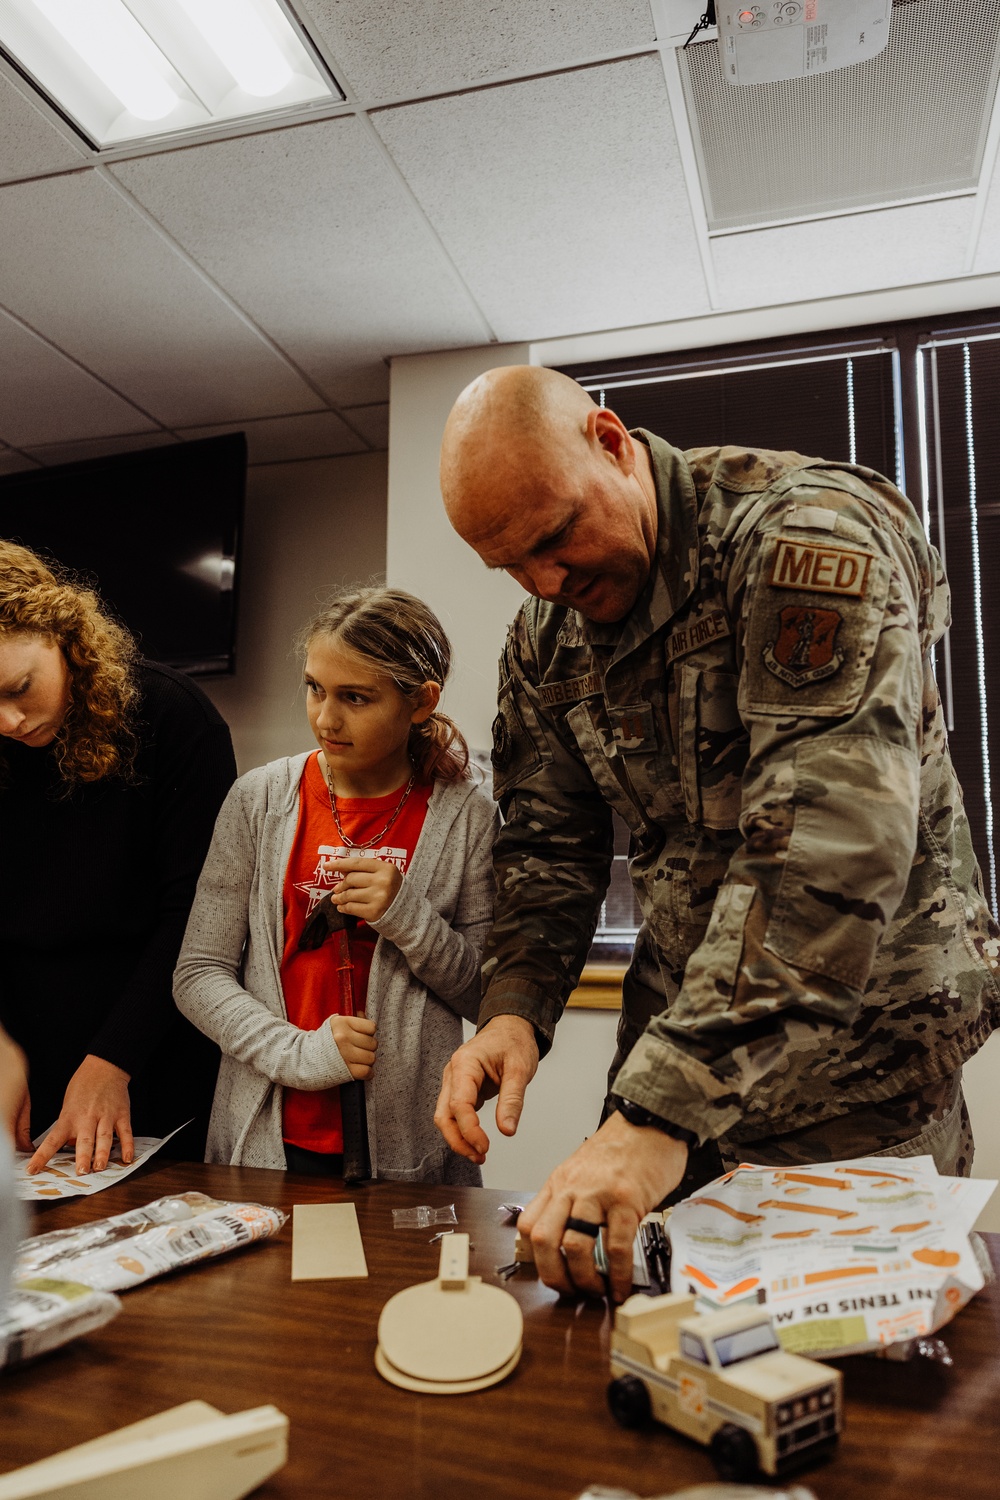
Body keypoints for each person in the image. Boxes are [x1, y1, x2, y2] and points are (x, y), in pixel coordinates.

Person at [434, 365, 1000, 1301]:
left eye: (556, 536)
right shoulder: (547, 638)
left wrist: (658, 1110)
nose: (545, 580)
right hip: (680, 1066)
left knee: (856, 1372)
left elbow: (827, 838)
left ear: (611, 444)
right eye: (510, 566)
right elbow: (546, 844)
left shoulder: (799, 535)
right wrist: (513, 1010)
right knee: (665, 1354)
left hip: (860, 1066)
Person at [173, 588, 498, 1183]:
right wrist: (300, 1055)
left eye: (355, 697)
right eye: (315, 688)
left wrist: (406, 914)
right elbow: (198, 975)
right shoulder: (259, 800)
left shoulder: (467, 814)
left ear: (421, 702)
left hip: (412, 1152)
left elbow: (486, 995)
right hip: (263, 1144)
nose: (326, 717)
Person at [0, 540, 237, 1177]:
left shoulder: (173, 719)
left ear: (63, 635)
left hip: (151, 1056)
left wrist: (112, 1062)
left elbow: (195, 915)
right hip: (23, 1063)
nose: (10, 721)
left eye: (21, 688)